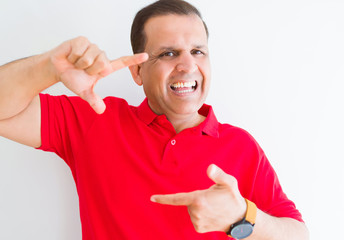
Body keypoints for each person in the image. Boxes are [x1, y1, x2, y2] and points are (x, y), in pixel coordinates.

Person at [0, 0, 309, 239]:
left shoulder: (241, 146)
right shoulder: (95, 120)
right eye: (169, 54)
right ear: (137, 71)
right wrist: (48, 68)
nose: (188, 65)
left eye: (198, 51)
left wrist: (243, 216)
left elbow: (298, 234)